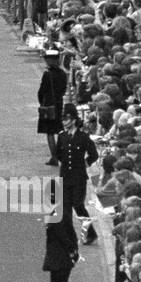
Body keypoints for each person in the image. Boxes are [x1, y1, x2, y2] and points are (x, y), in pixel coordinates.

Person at [56, 104, 99, 243]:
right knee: (66, 206)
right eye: (63, 119)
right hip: (65, 175)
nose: (64, 122)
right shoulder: (62, 136)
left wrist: (84, 164)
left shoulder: (83, 137)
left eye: (67, 119)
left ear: (74, 120)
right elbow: (58, 154)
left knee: (78, 205)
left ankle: (91, 233)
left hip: (79, 177)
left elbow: (94, 154)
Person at [43, 217, 80, 282]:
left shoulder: (57, 211)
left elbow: (61, 233)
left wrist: (71, 249)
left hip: (59, 259)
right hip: (62, 258)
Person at [37, 49, 67, 165]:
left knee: (49, 132)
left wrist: (42, 102)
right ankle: (62, 153)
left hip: (48, 104)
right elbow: (63, 90)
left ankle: (54, 157)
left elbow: (41, 91)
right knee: (59, 128)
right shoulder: (63, 73)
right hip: (59, 103)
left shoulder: (47, 74)